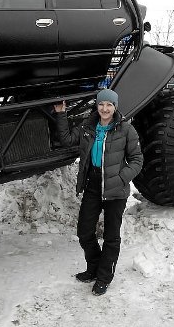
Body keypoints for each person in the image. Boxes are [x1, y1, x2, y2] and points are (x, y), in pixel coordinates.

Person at [53, 89, 143, 296]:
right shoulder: (88, 126)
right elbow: (67, 139)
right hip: (92, 185)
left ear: (115, 107)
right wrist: (61, 114)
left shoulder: (126, 130)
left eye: (109, 105)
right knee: (84, 232)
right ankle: (94, 268)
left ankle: (104, 277)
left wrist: (120, 178)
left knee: (111, 237)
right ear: (97, 105)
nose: (105, 109)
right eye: (102, 104)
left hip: (116, 190)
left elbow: (137, 159)